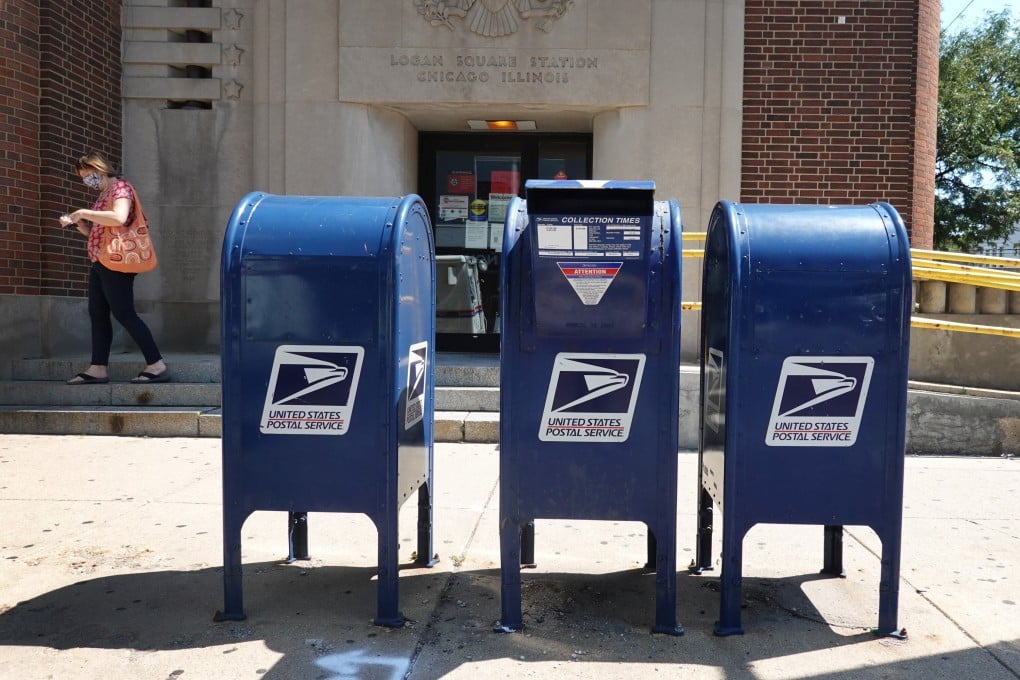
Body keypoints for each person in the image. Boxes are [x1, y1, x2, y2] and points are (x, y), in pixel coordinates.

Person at [58, 152, 169, 385]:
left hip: (116, 261)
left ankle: (156, 364)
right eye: (83, 177)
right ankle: (98, 367)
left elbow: (119, 217)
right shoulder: (104, 194)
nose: (87, 180)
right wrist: (80, 224)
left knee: (124, 313)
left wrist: (83, 212)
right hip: (101, 260)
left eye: (88, 175)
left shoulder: (121, 188)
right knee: (97, 314)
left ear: (100, 169)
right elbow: (100, 231)